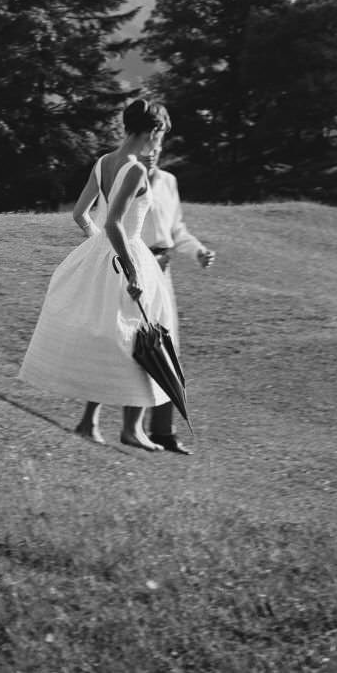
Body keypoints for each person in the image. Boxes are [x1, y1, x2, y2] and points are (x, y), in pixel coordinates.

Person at [18, 99, 177, 451]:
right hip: (130, 256)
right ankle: (132, 430)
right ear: (152, 131)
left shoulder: (103, 162)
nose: (159, 142)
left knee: (111, 335)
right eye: (160, 134)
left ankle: (89, 423)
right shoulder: (134, 169)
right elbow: (114, 223)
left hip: (104, 256)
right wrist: (132, 270)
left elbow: (80, 214)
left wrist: (100, 248)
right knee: (142, 339)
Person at [138, 143, 215, 453]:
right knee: (136, 346)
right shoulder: (126, 177)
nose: (151, 152)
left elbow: (177, 229)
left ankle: (162, 431)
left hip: (163, 272)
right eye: (146, 146)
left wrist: (198, 251)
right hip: (136, 270)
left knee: (167, 349)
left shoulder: (168, 181)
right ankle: (121, 425)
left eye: (156, 146)